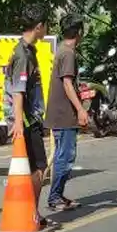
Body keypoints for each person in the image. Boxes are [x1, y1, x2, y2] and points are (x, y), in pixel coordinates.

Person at [3, 4, 55, 229]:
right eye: (46, 26)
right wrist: (17, 123)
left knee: (35, 167)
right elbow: (18, 90)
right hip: (26, 119)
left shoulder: (28, 50)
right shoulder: (22, 54)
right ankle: (30, 211)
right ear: (39, 26)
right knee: (39, 167)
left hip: (29, 116)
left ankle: (31, 211)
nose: (47, 30)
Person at [43, 13, 87, 212]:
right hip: (64, 114)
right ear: (79, 32)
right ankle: (54, 197)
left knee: (62, 155)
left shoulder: (61, 50)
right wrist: (80, 110)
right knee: (65, 156)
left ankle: (57, 195)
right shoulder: (67, 53)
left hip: (58, 112)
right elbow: (67, 83)